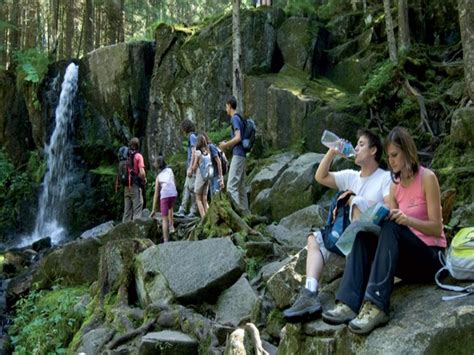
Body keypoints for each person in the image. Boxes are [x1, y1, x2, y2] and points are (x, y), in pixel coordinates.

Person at [322, 126, 446, 335]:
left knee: (392, 226)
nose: (392, 162)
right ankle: (349, 304)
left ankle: (377, 305)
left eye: (395, 155)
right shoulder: (395, 186)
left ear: (408, 152)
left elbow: (437, 228)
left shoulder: (427, 178)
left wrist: (408, 221)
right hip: (408, 260)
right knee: (363, 235)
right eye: (389, 157)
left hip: (431, 258)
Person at [283, 129, 391, 321]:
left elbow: (389, 209)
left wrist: (355, 201)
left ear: (373, 150)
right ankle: (309, 293)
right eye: (356, 144)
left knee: (354, 199)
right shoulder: (352, 176)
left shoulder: (384, 178)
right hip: (349, 238)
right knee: (314, 239)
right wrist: (333, 151)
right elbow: (320, 177)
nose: (356, 148)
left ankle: (354, 291)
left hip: (372, 239)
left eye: (361, 144)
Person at [219, 95, 249, 212]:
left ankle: (236, 215)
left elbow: (238, 137)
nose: (226, 109)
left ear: (229, 105)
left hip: (238, 155)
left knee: (231, 186)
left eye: (226, 106)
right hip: (242, 155)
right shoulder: (240, 118)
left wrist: (225, 145)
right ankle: (246, 215)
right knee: (241, 189)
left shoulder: (235, 118)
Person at [150, 155, 177, 242]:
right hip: (173, 194)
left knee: (164, 218)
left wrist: (153, 210)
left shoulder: (158, 177)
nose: (154, 164)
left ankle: (166, 240)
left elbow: (156, 194)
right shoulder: (170, 170)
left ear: (158, 165)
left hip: (165, 196)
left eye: (155, 163)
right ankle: (171, 226)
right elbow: (173, 182)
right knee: (170, 207)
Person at [176, 119, 198, 218]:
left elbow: (194, 152)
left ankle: (192, 211)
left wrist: (191, 168)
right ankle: (183, 209)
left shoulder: (192, 136)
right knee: (187, 187)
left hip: (192, 167)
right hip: (191, 166)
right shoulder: (192, 136)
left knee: (192, 189)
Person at [123, 137, 146, 222]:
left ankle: (123, 232)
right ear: (137, 146)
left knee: (127, 212)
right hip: (135, 186)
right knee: (137, 208)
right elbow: (142, 172)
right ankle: (136, 232)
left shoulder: (125, 156)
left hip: (126, 186)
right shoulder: (138, 156)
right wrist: (144, 180)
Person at [193, 134, 212, 218]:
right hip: (208, 177)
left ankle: (203, 219)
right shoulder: (207, 152)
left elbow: (194, 167)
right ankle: (208, 218)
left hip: (200, 177)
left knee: (198, 199)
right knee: (204, 198)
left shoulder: (198, 153)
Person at [203, 132, 225, 196]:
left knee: (216, 195)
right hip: (211, 176)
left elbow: (218, 161)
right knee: (213, 196)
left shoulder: (211, 147)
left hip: (216, 175)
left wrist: (221, 178)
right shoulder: (204, 150)